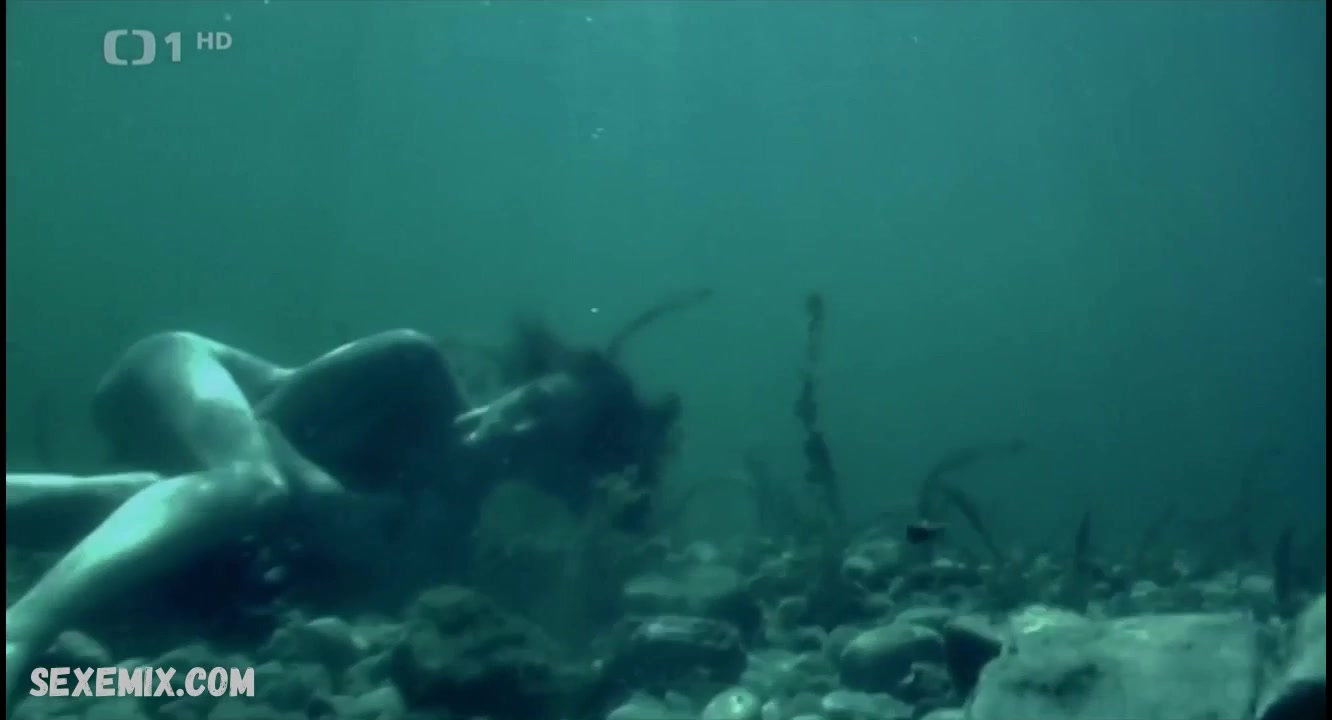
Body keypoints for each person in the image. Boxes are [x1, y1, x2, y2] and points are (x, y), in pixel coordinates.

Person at [5, 327, 679, 709]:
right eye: (530, 404)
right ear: (521, 381)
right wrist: (329, 502)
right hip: (177, 375)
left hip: (202, 472)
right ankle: (21, 631)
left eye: (542, 441)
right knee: (249, 485)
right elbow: (264, 422)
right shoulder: (412, 367)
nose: (513, 428)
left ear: (555, 477)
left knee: (128, 507)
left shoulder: (448, 533)